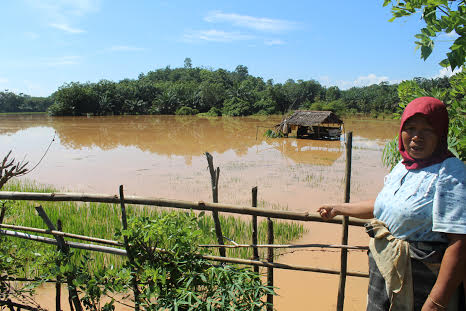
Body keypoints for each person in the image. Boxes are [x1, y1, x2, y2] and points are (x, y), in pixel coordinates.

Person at [317, 97, 465, 311]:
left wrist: (435, 303)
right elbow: (383, 206)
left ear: (441, 133)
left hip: (423, 280)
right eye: (410, 128)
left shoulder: (450, 172)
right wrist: (338, 208)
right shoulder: (403, 167)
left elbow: (460, 243)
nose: (416, 137)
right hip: (385, 269)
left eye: (428, 130)